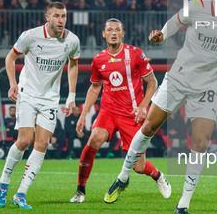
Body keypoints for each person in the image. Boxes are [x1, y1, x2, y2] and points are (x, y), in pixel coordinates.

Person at [104, 0, 217, 214]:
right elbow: (176, 21)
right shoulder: (197, 7)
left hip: (207, 86)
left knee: (201, 143)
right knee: (149, 126)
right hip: (180, 77)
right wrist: (161, 34)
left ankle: (183, 205)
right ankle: (123, 177)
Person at [70, 18, 169, 203]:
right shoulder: (99, 60)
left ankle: (157, 175)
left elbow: (152, 83)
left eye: (117, 30)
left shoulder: (136, 54)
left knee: (139, 167)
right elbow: (94, 87)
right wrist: (83, 114)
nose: (113, 33)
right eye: (109, 30)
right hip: (108, 110)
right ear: (103, 33)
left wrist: (143, 106)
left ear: (123, 33)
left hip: (131, 114)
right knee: (94, 139)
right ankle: (80, 190)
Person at [0, 2, 80, 209]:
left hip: (50, 99)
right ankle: (3, 183)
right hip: (28, 94)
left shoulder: (72, 40)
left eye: (64, 16)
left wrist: (71, 96)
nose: (61, 20)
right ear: (47, 17)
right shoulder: (31, 36)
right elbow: (10, 58)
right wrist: (13, 84)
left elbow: (73, 64)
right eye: (57, 16)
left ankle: (21, 193)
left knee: (41, 144)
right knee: (24, 140)